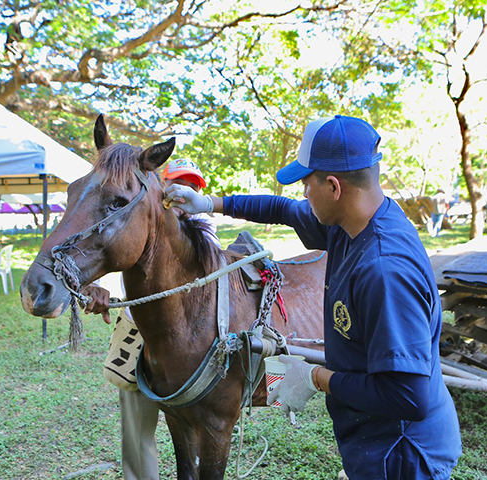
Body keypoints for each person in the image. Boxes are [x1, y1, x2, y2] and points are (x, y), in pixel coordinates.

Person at [164, 115, 462, 479]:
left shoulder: (385, 272)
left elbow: (407, 398)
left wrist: (314, 377)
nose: (303, 194)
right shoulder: (352, 221)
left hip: (401, 453)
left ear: (334, 187)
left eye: (307, 184)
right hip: (370, 438)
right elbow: (282, 209)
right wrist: (208, 203)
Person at [81, 158, 217, 480]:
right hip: (137, 337)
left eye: (193, 186)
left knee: (194, 424)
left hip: (187, 340)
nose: (185, 192)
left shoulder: (204, 228)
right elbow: (110, 254)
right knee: (137, 431)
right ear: (160, 186)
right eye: (178, 184)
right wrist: (93, 287)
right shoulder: (136, 219)